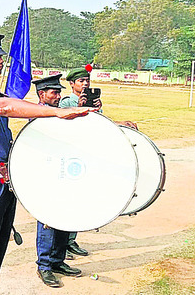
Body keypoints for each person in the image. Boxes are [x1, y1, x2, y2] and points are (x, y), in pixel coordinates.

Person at [0, 35, 93, 294]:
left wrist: (68, 110)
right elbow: (6, 107)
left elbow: (21, 106)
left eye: (0, 56)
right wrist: (56, 111)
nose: (0, 60)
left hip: (3, 185)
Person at [59, 65, 137, 258]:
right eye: (81, 81)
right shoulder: (66, 101)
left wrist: (117, 122)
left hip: (88, 153)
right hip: (72, 156)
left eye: (87, 81)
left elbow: (99, 126)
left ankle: (70, 241)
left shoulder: (94, 102)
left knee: (79, 200)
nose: (85, 83)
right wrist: (81, 105)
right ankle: (60, 246)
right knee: (66, 201)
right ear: (71, 84)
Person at [31, 74, 82, 287]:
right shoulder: (37, 117)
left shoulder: (60, 114)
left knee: (64, 217)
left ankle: (58, 260)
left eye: (59, 92)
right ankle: (44, 266)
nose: (58, 96)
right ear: (42, 94)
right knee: (47, 221)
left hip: (64, 174)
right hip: (46, 177)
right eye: (54, 93)